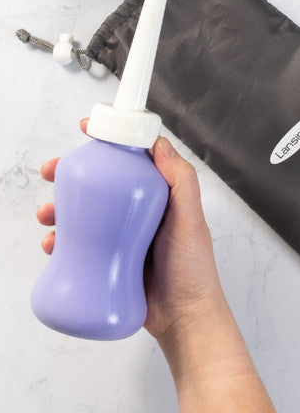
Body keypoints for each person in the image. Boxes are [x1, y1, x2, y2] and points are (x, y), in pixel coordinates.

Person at [36, 120, 276, 412]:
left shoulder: (146, 183)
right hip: (123, 314)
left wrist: (187, 310)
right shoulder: (128, 178)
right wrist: (189, 315)